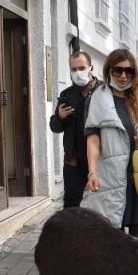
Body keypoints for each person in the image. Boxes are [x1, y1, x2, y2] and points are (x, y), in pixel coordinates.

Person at [82, 48, 138, 241]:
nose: (123, 76)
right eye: (118, 71)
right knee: (113, 236)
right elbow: (92, 137)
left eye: (129, 71)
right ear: (109, 72)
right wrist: (92, 172)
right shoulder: (99, 98)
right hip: (111, 176)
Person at [50, 51, 102, 208]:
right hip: (74, 161)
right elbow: (55, 127)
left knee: (100, 206)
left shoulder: (104, 91)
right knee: (71, 206)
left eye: (81, 68)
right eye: (73, 69)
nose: (78, 72)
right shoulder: (67, 94)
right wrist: (59, 117)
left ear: (90, 67)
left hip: (100, 160)